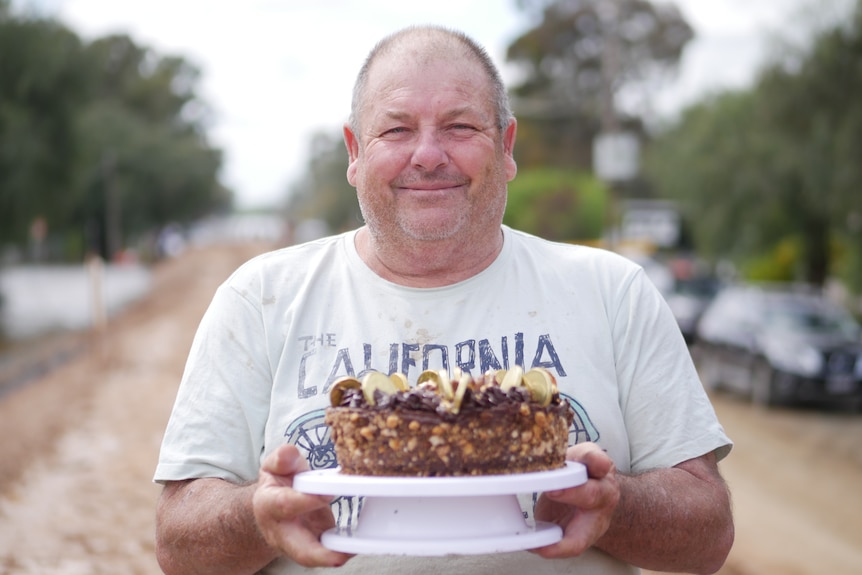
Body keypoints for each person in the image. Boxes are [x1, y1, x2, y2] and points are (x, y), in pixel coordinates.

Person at [154, 25, 734, 575]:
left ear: (506, 146)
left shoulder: (613, 292)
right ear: (355, 152)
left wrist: (614, 506)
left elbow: (709, 535)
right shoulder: (260, 298)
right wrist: (260, 514)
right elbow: (178, 545)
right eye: (397, 129)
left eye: (459, 126)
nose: (428, 155)